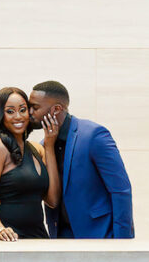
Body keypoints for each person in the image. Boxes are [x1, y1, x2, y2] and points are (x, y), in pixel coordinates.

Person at [28, 81, 134, 238]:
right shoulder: (44, 146)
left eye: (35, 107)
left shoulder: (94, 135)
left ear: (56, 109)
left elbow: (120, 190)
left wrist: (122, 242)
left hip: (100, 235)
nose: (29, 112)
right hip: (61, 238)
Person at [0, 87, 61, 241]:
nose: (18, 116)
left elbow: (52, 200)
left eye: (22, 110)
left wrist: (49, 146)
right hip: (9, 239)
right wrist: (0, 230)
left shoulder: (37, 149)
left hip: (39, 237)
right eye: (10, 111)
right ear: (0, 115)